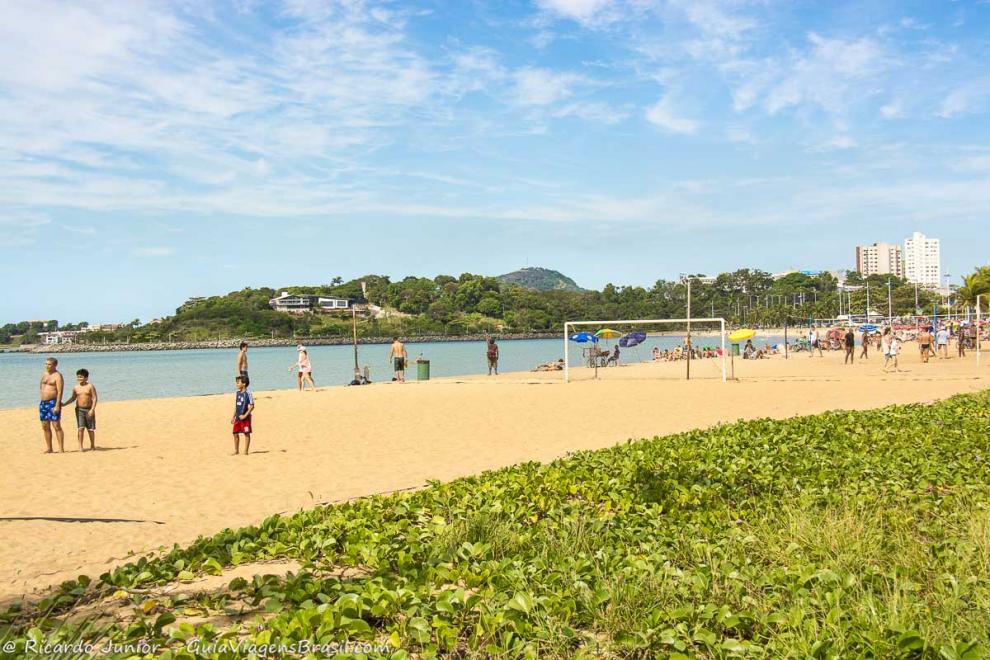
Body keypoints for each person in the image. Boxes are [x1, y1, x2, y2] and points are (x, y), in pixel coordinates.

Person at [62, 368, 97, 451]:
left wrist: (92, 409)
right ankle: (80, 446)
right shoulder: (76, 387)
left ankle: (92, 446)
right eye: (77, 377)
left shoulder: (90, 386)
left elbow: (95, 398)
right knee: (80, 428)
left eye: (81, 377)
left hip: (89, 409)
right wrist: (64, 404)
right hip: (79, 410)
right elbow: (73, 398)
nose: (79, 379)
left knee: (90, 429)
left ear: (86, 378)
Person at [39, 357, 65, 453]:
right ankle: (49, 448)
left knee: (56, 425)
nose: (47, 366)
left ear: (55, 365)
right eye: (46, 364)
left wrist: (57, 405)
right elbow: (41, 387)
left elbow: (60, 391)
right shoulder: (44, 375)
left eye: (49, 364)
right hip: (43, 403)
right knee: (45, 426)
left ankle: (61, 448)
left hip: (53, 403)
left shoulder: (58, 376)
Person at [231, 375, 254, 455]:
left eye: (238, 382)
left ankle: (246, 451)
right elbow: (236, 406)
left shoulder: (248, 393)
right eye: (236, 383)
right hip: (237, 418)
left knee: (246, 433)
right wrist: (233, 416)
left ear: (244, 384)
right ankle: (236, 450)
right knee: (235, 433)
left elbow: (252, 406)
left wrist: (245, 415)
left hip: (245, 419)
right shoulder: (237, 393)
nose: (236, 384)